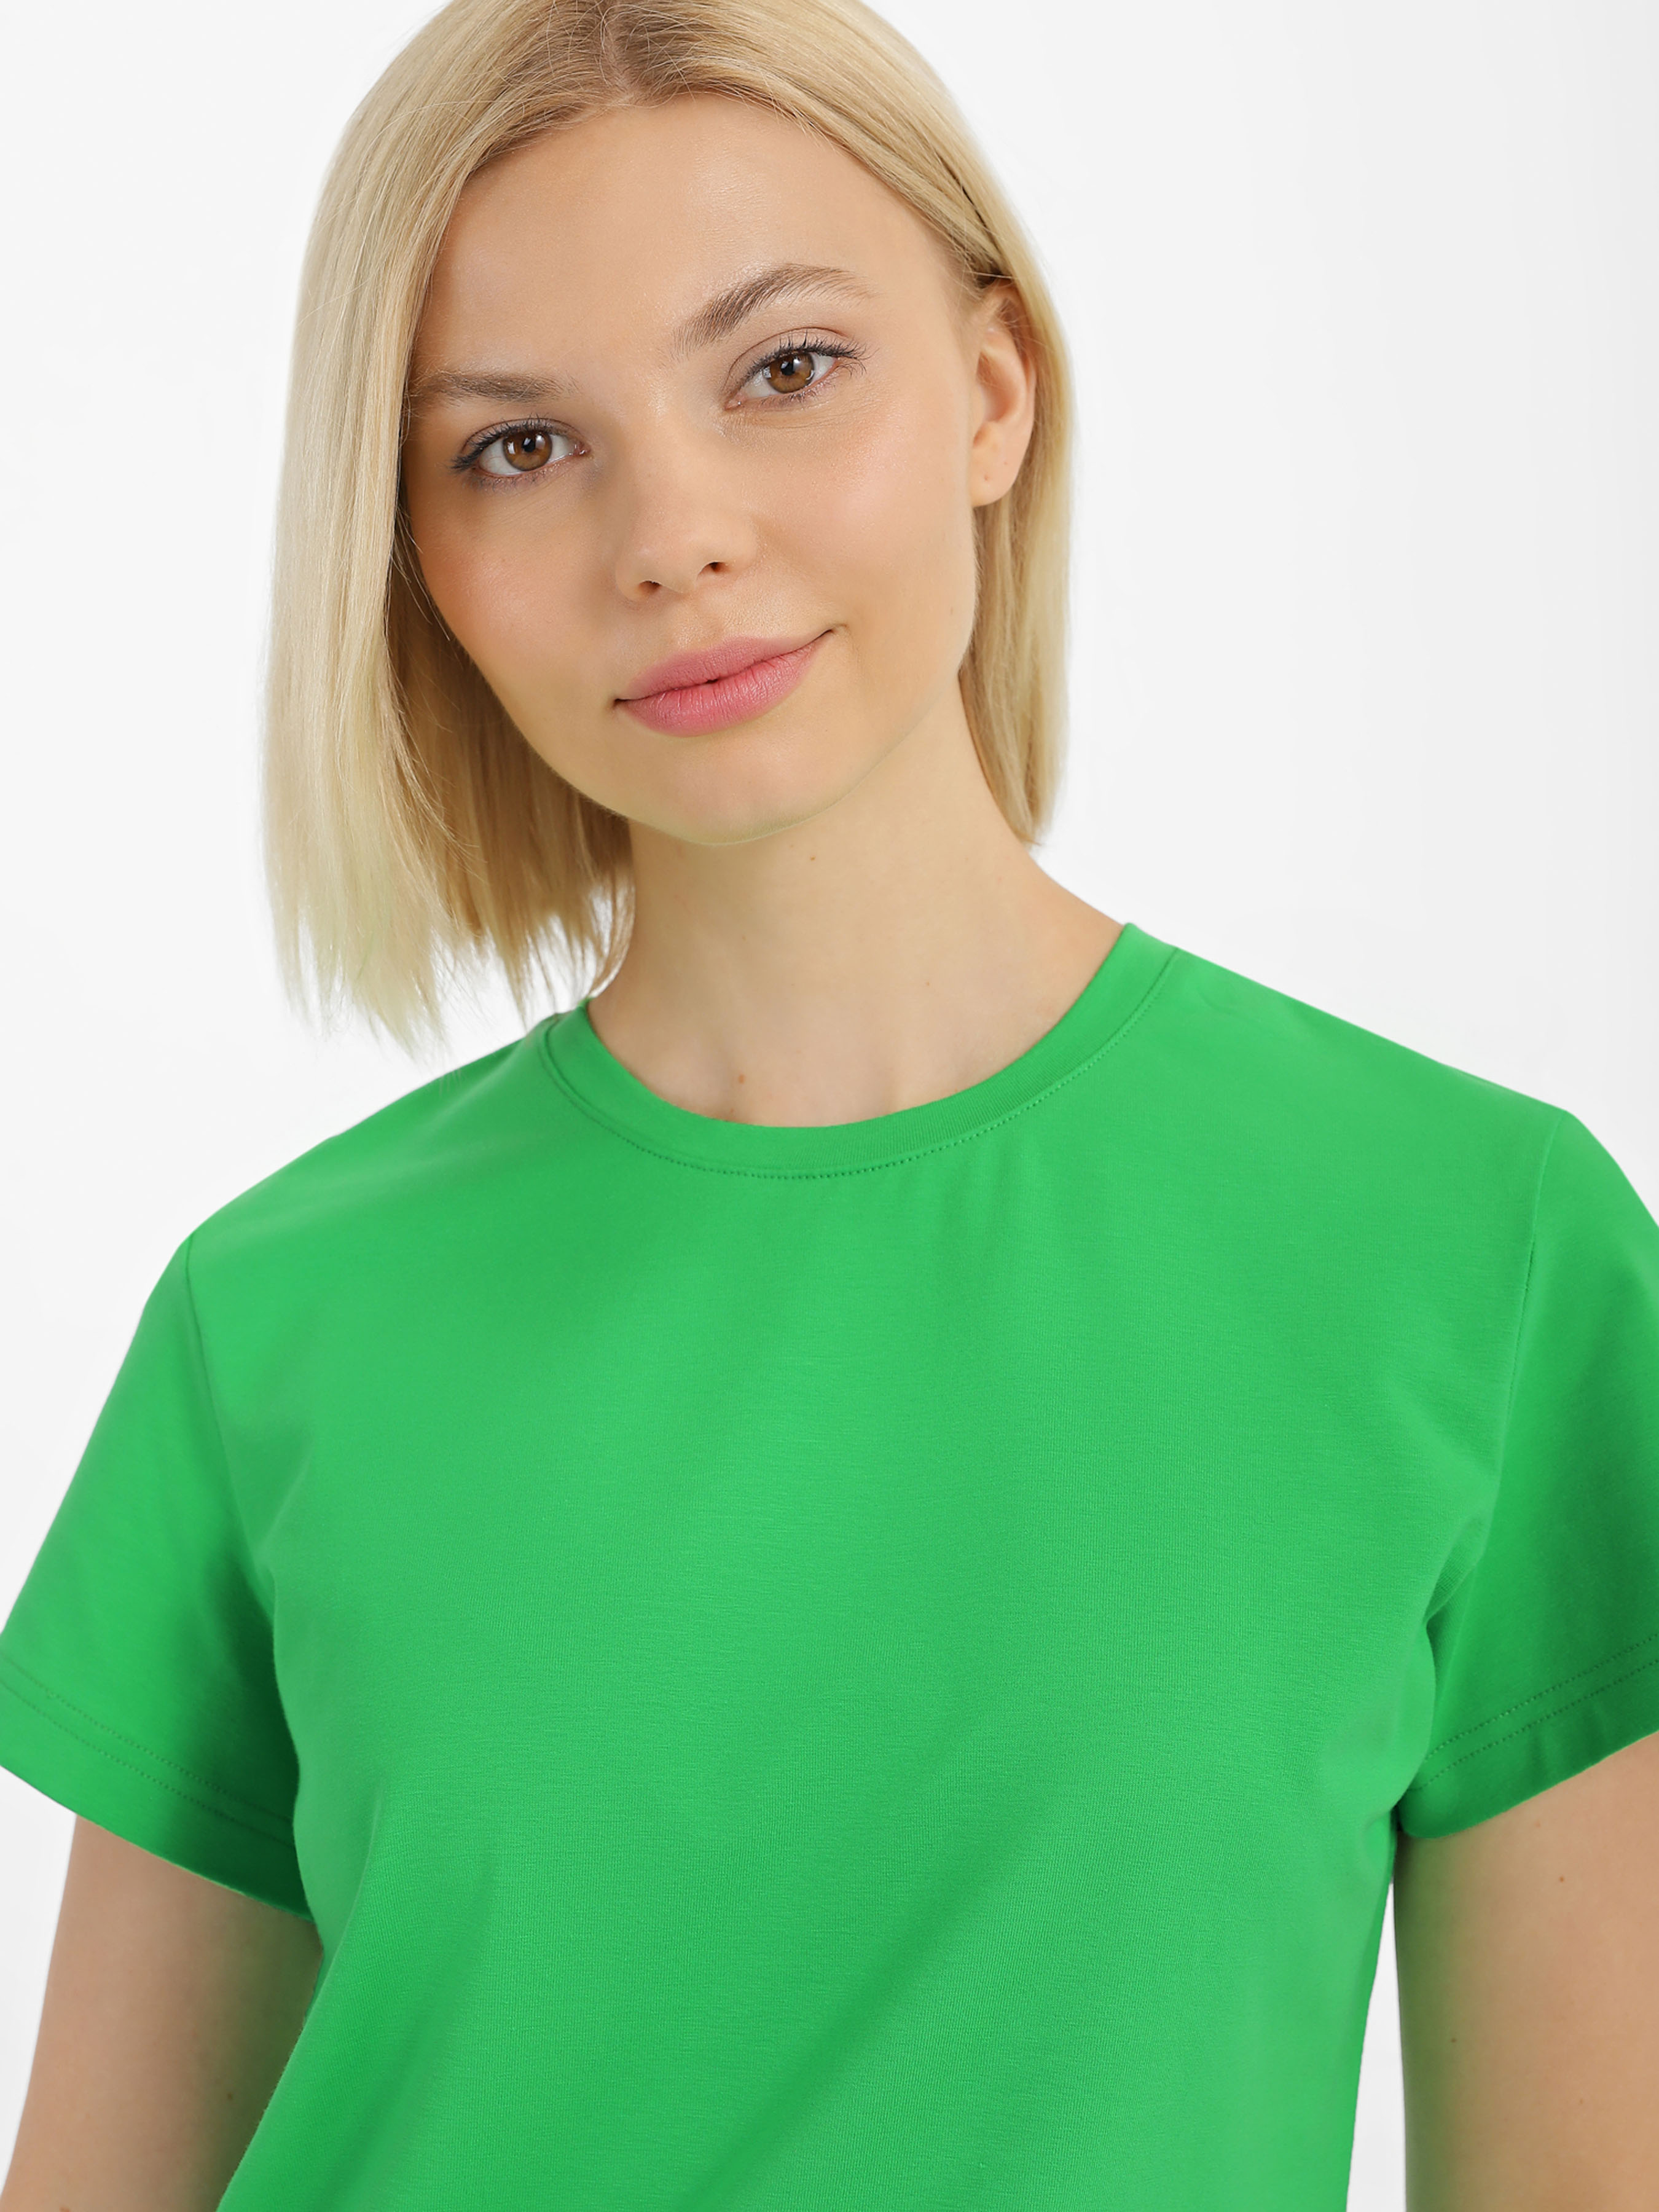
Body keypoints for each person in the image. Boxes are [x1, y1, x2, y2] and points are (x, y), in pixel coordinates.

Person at [1, 0, 1656, 2203]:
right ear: (410, 557)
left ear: (992, 388)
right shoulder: (275, 1319)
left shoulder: (1478, 1246)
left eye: (783, 368)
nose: (671, 535)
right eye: (517, 445)